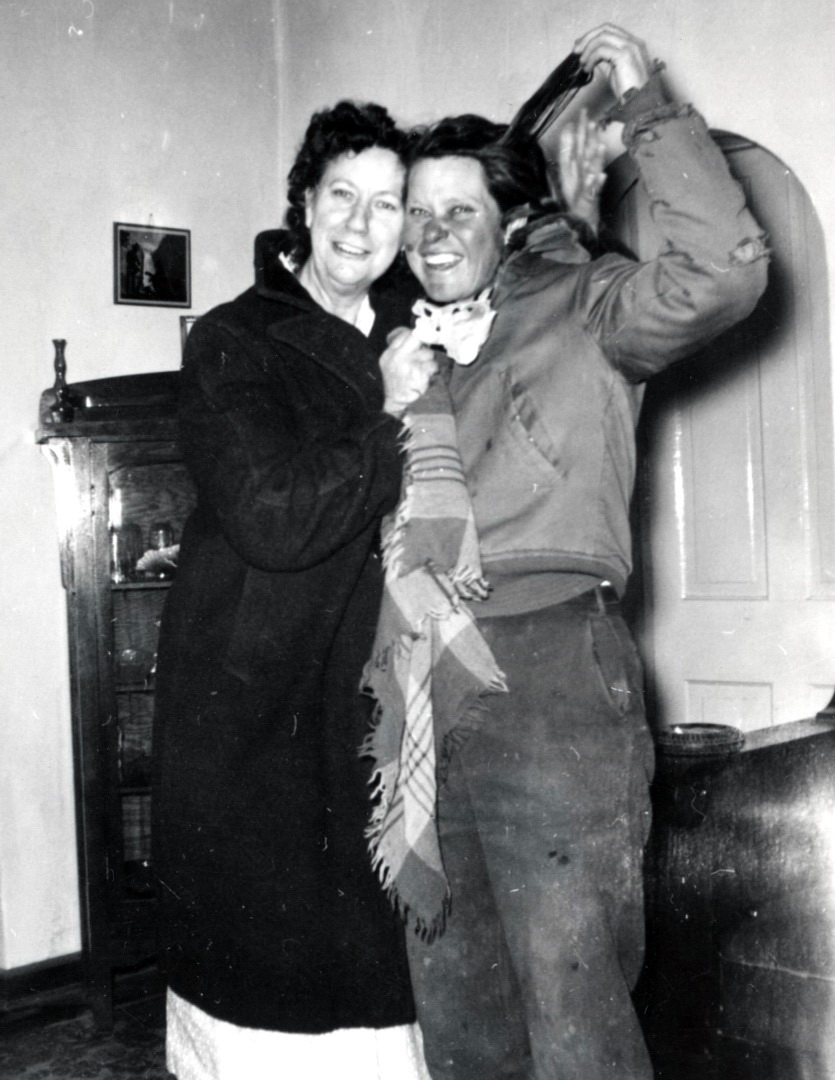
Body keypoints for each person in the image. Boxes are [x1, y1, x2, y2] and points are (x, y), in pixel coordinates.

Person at [366, 23, 769, 1080]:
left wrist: (647, 105)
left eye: (459, 209)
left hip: (550, 668)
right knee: (457, 1004)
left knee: (572, 1008)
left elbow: (721, 274)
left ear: (510, 219)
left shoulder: (583, 302)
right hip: (427, 679)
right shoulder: (413, 351)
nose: (432, 233)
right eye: (417, 215)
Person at [151, 99, 437, 1080]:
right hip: (258, 700)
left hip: (375, 691)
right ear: (303, 204)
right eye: (341, 195)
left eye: (387, 203)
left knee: (381, 981)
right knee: (268, 984)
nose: (360, 223)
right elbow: (271, 515)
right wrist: (388, 412)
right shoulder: (235, 339)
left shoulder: (418, 328)